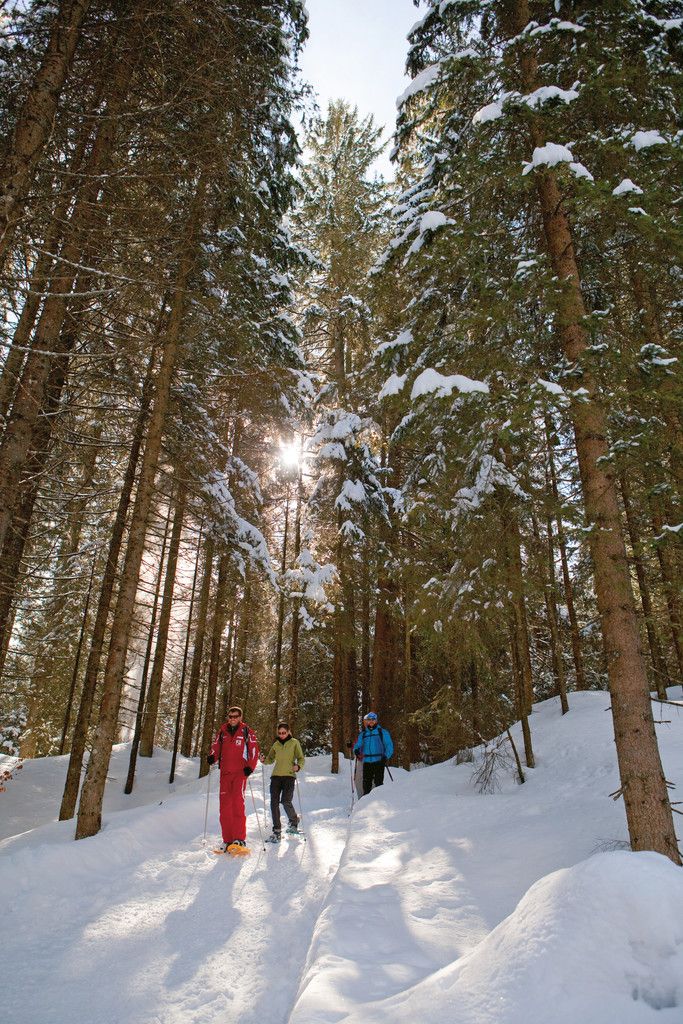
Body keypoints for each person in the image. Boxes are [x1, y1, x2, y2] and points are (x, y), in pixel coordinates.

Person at [207, 706, 259, 852]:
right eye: (230, 716)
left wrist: (250, 766)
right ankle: (227, 840)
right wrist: (212, 756)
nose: (233, 719)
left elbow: (254, 750)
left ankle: (239, 839)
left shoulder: (247, 731)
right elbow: (216, 746)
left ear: (240, 717)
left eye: (235, 716)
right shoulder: (222, 731)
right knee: (224, 807)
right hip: (225, 774)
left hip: (240, 773)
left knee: (237, 804)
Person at [261, 721, 305, 842]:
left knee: (286, 801)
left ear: (288, 732)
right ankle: (277, 831)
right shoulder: (276, 744)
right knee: (274, 803)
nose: (281, 735)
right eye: (280, 733)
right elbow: (270, 759)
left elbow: (301, 758)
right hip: (276, 776)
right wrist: (264, 760)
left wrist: (298, 766)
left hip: (289, 776)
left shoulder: (294, 743)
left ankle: (294, 820)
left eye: (284, 733)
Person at [353, 712, 393, 796]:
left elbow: (389, 746)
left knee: (378, 783)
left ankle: (379, 802)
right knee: (366, 785)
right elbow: (357, 745)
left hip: (379, 760)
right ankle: (366, 805)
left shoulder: (382, 732)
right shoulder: (363, 734)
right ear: (367, 721)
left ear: (376, 721)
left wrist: (386, 756)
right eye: (369, 720)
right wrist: (356, 750)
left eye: (373, 719)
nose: (371, 721)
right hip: (367, 761)